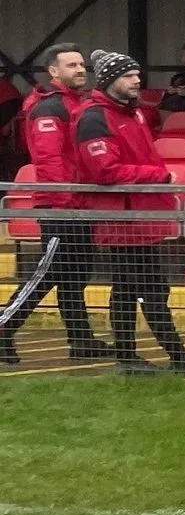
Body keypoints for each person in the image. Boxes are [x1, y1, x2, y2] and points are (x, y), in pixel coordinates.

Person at [74, 51, 185, 375]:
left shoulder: (133, 114)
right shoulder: (96, 118)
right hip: (124, 217)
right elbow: (105, 171)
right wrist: (160, 177)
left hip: (138, 216)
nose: (137, 80)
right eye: (128, 75)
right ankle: (171, 356)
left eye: (137, 74)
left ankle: (132, 358)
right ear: (110, 80)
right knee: (148, 288)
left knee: (130, 289)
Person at [2, 44, 101, 363]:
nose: (81, 69)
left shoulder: (77, 104)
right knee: (46, 275)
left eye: (82, 63)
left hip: (79, 205)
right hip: (60, 207)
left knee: (75, 277)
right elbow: (50, 161)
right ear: (54, 71)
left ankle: (81, 340)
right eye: (72, 64)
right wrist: (67, 202)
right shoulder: (51, 108)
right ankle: (3, 328)